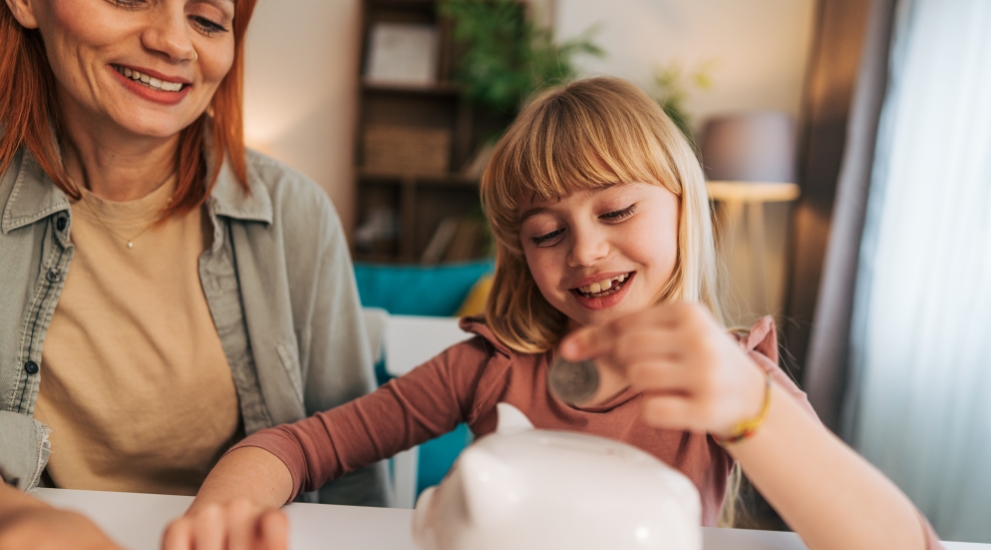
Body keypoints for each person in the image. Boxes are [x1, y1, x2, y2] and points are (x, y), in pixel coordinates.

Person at [164, 78, 942, 550]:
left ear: (682, 207)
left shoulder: (727, 381)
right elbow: (298, 446)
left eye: (616, 211)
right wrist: (223, 511)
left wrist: (748, 408)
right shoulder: (490, 366)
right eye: (546, 232)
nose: (586, 251)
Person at [0, 0, 387, 547]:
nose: (175, 44)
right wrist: (19, 518)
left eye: (207, 20)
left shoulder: (297, 217)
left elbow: (355, 481)